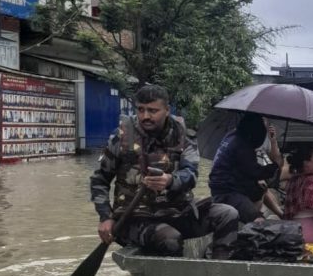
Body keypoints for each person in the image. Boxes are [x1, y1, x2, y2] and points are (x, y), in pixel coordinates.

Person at [90, 84, 238, 258]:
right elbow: (100, 179)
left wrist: (170, 181)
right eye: (141, 110)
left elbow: (191, 174)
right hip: (135, 219)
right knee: (170, 239)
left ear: (167, 110)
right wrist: (105, 217)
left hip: (176, 212)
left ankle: (218, 273)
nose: (146, 116)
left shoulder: (182, 135)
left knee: (228, 214)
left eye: (153, 111)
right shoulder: (121, 137)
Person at [208, 112, 284, 224]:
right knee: (258, 220)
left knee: (260, 188)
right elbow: (255, 171)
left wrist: (273, 141)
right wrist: (275, 166)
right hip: (227, 192)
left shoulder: (232, 135)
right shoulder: (241, 145)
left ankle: (276, 213)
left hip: (223, 186)